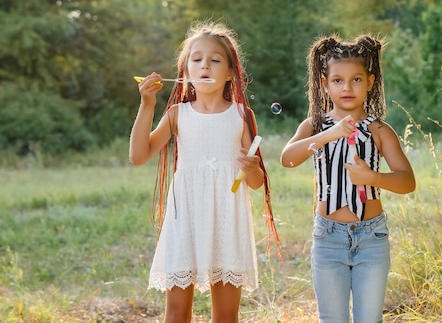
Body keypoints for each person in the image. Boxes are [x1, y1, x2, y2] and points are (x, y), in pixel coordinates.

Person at [129, 21, 280, 323]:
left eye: (215, 60)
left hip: (227, 220)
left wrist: (251, 169)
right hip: (185, 219)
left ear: (231, 73)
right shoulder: (177, 115)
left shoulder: (241, 115)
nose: (205, 65)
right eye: (196, 59)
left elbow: (254, 182)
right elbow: (138, 155)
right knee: (176, 314)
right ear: (184, 71)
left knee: (226, 316)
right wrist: (147, 105)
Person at [280, 34, 416, 323]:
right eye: (338, 80)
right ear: (324, 84)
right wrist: (328, 134)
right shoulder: (314, 126)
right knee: (333, 319)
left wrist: (372, 177)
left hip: (371, 237)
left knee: (370, 319)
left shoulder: (379, 131)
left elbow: (407, 181)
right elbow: (287, 159)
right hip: (328, 238)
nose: (347, 87)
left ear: (370, 82)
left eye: (356, 80)